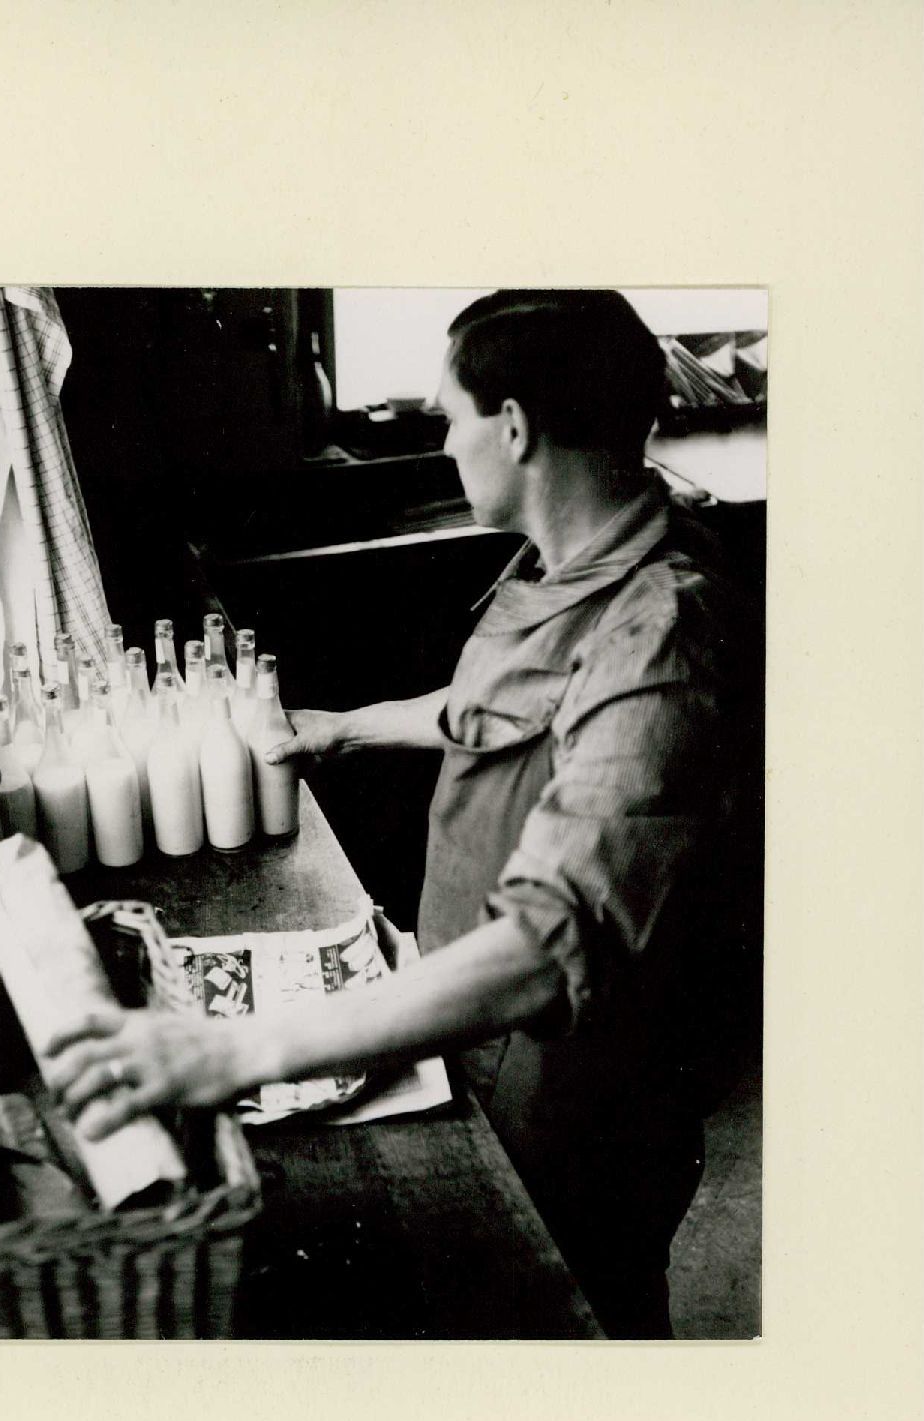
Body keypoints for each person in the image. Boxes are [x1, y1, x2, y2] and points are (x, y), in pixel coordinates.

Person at [42, 290, 761, 1338]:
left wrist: (230, 1053)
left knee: (576, 1321)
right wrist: (345, 729)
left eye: (449, 417)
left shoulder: (663, 632)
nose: (445, 442)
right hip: (482, 1030)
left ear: (512, 427)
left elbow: (546, 945)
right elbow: (500, 704)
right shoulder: (586, 558)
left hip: (569, 1082)